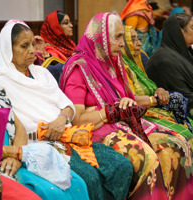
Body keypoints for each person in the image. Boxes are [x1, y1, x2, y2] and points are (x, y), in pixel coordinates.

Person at [0, 19, 133, 200]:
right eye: (24, 46)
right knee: (89, 178)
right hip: (40, 144)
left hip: (69, 135)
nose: (32, 51)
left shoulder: (41, 73)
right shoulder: (0, 82)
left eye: (32, 45)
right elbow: (14, 125)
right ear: (7, 49)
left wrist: (61, 119)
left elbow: (68, 106)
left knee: (122, 165)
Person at [60, 12, 193, 200]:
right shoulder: (79, 68)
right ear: (102, 38)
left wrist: (151, 100)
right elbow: (76, 119)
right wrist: (109, 110)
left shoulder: (113, 63)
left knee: (176, 144)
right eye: (118, 37)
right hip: (96, 131)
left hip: (124, 121)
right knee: (147, 158)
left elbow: (127, 98)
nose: (123, 43)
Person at [121, 25, 193, 145]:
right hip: (140, 113)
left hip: (156, 107)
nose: (139, 43)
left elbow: (150, 85)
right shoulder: (120, 67)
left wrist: (159, 90)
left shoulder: (138, 59)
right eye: (133, 39)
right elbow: (130, 99)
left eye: (138, 39)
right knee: (183, 137)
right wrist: (156, 99)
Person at [146, 13, 193, 120]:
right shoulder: (164, 59)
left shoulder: (184, 52)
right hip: (179, 111)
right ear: (180, 32)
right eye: (192, 27)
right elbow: (185, 97)